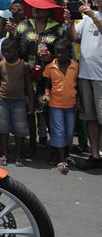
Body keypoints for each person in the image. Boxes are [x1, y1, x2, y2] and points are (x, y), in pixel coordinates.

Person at [14, 0, 65, 156]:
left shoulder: (58, 29)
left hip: (49, 78)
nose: (35, 9)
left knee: (48, 113)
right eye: (34, 7)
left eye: (40, 8)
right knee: (28, 111)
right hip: (25, 76)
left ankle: (57, 149)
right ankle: (32, 145)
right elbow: (13, 48)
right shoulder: (23, 26)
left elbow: (65, 53)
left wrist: (51, 58)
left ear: (49, 11)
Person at [65, 0, 102, 169]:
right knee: (91, 118)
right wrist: (70, 23)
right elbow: (73, 38)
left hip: (101, 78)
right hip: (85, 74)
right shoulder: (86, 19)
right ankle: (95, 156)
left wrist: (94, 16)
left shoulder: (92, 17)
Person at [0, 38, 34, 167]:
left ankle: (18, 155)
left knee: (19, 130)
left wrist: (31, 103)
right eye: (4, 51)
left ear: (16, 51)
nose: (6, 54)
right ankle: (4, 154)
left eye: (9, 51)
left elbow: (28, 85)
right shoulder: (0, 65)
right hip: (3, 100)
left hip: (19, 102)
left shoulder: (24, 66)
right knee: (3, 129)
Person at [43, 38, 80, 173]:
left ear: (69, 52)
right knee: (59, 132)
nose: (59, 55)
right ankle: (61, 159)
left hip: (71, 104)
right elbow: (47, 85)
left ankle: (66, 154)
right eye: (57, 52)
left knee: (69, 132)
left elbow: (79, 86)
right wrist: (46, 94)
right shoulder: (50, 67)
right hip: (55, 104)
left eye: (62, 53)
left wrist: (79, 102)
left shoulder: (75, 66)